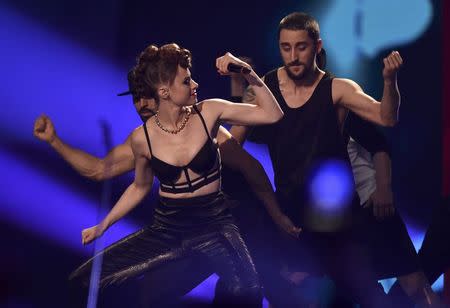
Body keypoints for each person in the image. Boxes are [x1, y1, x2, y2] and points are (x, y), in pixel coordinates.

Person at [65, 43, 301, 307]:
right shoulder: (142, 139)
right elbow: (140, 187)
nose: (195, 84)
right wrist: (103, 225)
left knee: (248, 291)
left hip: (215, 225)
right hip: (168, 227)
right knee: (83, 280)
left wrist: (245, 71)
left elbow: (273, 114)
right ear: (164, 91)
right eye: (187, 80)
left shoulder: (209, 113)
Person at [229, 12, 403, 307]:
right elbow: (232, 144)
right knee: (279, 294)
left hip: (337, 220)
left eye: (302, 47)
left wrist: (389, 81)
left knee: (357, 296)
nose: (294, 56)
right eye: (286, 47)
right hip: (290, 217)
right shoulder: (265, 89)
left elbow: (386, 117)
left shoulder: (338, 88)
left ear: (317, 46)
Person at [344, 112, 443, 307]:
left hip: (374, 205)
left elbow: (380, 144)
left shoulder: (342, 103)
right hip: (337, 220)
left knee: (416, 285)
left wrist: (383, 188)